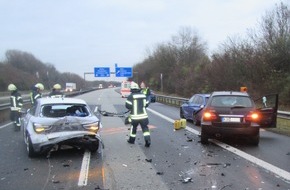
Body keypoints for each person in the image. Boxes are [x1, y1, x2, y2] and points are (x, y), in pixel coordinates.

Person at [125, 82, 151, 147]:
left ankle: (131, 140)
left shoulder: (130, 96)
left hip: (135, 117)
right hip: (144, 116)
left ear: (132, 89)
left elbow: (127, 106)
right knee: (145, 129)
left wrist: (132, 107)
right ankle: (148, 140)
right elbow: (146, 104)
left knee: (133, 128)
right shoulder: (143, 95)